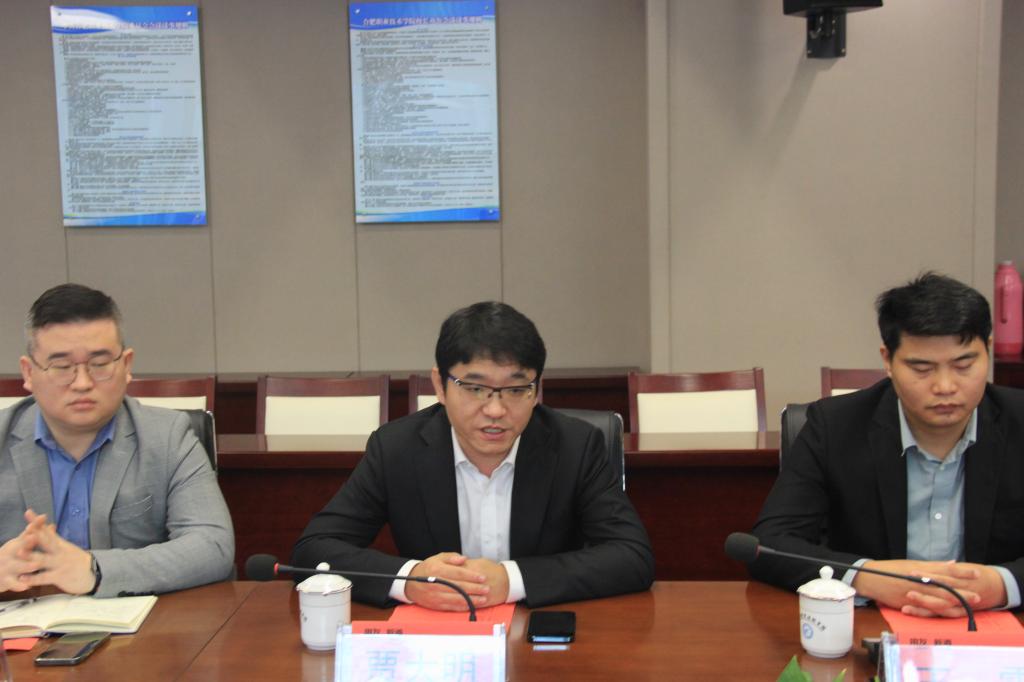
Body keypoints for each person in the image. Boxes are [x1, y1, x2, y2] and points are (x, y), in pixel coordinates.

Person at [293, 301, 654, 609]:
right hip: (436, 639)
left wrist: (511, 580)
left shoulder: (576, 446)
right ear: (440, 385)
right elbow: (315, 549)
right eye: (475, 388)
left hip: (537, 636)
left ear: (537, 390)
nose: (495, 410)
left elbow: (632, 556)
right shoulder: (397, 449)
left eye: (516, 389)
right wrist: (410, 579)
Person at [751, 272, 1024, 617]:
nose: (945, 386)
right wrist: (868, 577)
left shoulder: (1018, 421)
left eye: (964, 365)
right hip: (870, 626)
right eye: (922, 368)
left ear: (987, 351)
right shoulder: (834, 426)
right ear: (887, 360)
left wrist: (1002, 584)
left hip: (995, 628)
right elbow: (771, 543)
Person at [0, 284, 233, 597]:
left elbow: (212, 546)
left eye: (99, 364)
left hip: (139, 624)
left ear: (126, 365)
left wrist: (94, 570)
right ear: (28, 372)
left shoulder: (167, 437)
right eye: (62, 367)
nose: (82, 383)